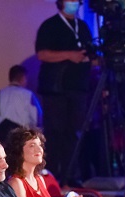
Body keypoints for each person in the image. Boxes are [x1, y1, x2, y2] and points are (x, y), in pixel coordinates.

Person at [35, 0, 93, 185]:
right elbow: (42, 54)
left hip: (78, 87)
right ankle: (53, 174)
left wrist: (89, 58)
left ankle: (72, 175)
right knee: (55, 133)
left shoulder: (82, 26)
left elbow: (90, 51)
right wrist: (69, 55)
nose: (74, 3)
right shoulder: (50, 25)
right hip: (56, 89)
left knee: (74, 133)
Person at [0, 65, 42, 140]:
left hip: (2, 140)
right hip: (22, 140)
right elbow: (37, 119)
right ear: (23, 78)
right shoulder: (28, 95)